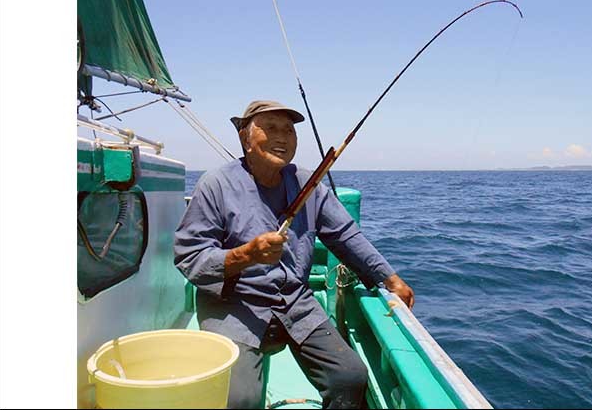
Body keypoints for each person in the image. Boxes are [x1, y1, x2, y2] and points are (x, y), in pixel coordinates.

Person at [174, 100, 414, 409]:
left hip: (294, 301)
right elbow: (189, 258)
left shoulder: (308, 184)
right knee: (237, 398)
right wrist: (245, 255)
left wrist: (388, 277)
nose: (282, 137)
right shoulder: (215, 184)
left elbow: (344, 235)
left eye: (288, 130)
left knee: (350, 376)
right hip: (234, 305)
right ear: (244, 137)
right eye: (270, 128)